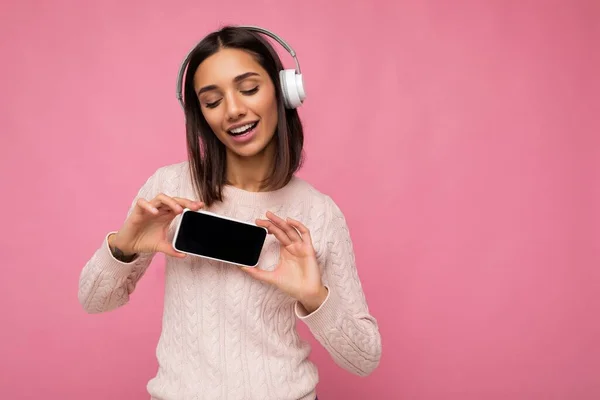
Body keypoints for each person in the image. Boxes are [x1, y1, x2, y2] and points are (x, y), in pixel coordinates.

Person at [78, 25, 382, 400]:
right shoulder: (170, 188)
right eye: (212, 100)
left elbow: (365, 358)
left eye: (250, 89)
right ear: (200, 113)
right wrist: (123, 246)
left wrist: (314, 296)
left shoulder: (319, 212)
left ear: (283, 91)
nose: (234, 110)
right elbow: (94, 301)